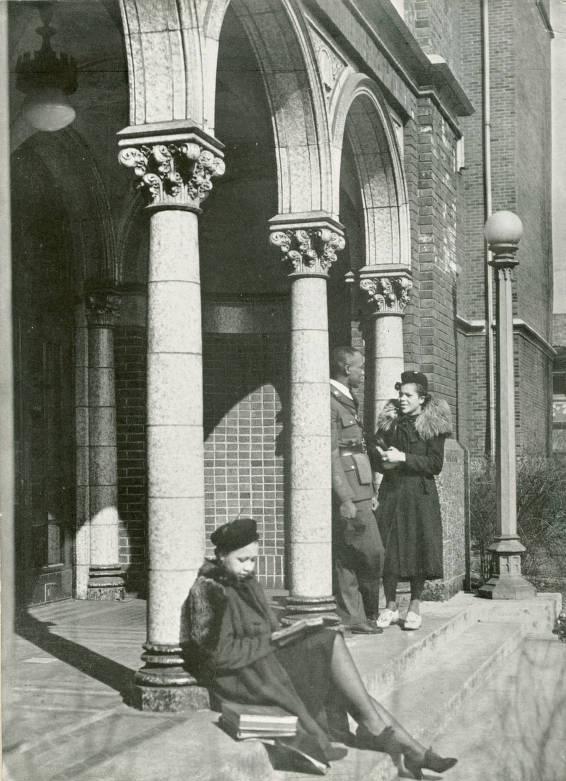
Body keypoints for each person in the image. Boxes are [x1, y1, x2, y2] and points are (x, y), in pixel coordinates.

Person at [186, 517, 458, 778]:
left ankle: (410, 748)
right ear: (221, 556)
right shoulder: (209, 590)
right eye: (242, 560)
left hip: (265, 660)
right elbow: (215, 655)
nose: (248, 567)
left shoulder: (245, 582)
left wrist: (290, 632)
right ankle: (400, 744)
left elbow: (263, 627)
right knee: (332, 653)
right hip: (243, 675)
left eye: (253, 560)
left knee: (329, 639)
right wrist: (272, 640)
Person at [371, 371, 452, 631]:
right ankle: (391, 606)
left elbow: (435, 464)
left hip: (419, 495)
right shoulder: (391, 422)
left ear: (421, 398)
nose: (402, 399)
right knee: (389, 548)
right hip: (392, 492)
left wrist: (404, 457)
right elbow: (380, 458)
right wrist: (380, 456)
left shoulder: (433, 424)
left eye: (408, 395)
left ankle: (415, 605)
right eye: (400, 394)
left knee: (419, 549)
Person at [330, 346, 384, 634]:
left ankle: (356, 615)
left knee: (351, 554)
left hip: (360, 485)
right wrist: (346, 497)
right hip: (349, 489)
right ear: (345, 368)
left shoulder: (347, 399)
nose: (363, 373)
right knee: (371, 551)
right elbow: (332, 453)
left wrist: (370, 491)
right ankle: (360, 614)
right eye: (359, 368)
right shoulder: (331, 401)